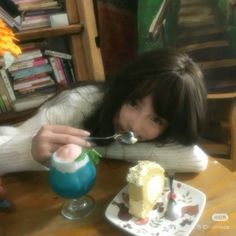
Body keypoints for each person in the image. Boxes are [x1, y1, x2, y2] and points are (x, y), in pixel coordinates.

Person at [0, 48, 208, 183]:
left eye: (156, 119)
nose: (134, 126)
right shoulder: (77, 105)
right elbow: (8, 139)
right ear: (123, 90)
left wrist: (105, 147)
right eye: (134, 103)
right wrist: (28, 150)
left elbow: (196, 160)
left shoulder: (154, 134)